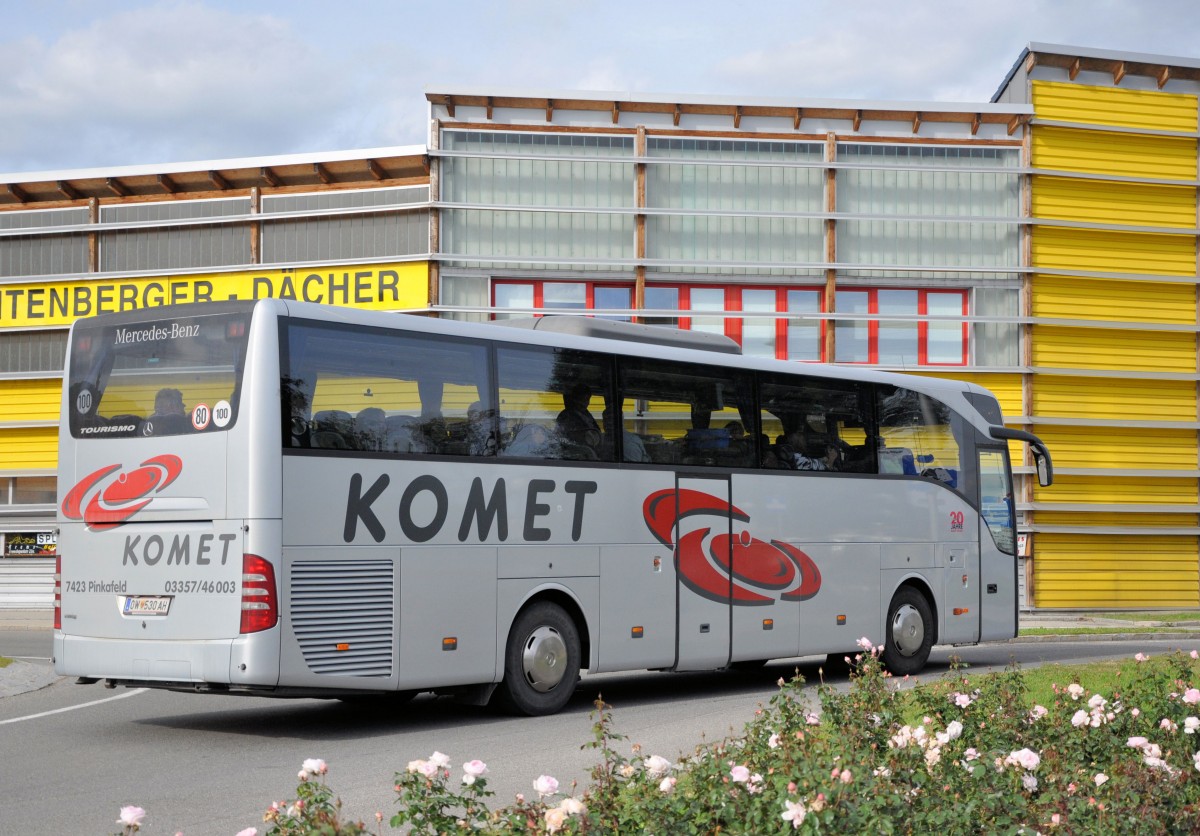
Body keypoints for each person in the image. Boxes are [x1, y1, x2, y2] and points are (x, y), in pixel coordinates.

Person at [555, 384, 600, 449]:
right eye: (581, 399)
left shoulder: (586, 414)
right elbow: (568, 436)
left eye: (587, 399)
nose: (585, 403)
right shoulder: (567, 415)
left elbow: (596, 431)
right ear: (574, 399)